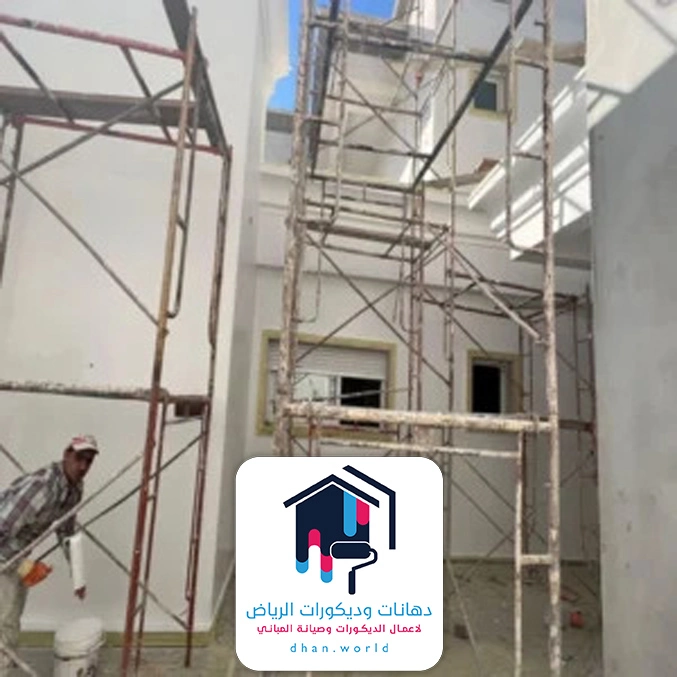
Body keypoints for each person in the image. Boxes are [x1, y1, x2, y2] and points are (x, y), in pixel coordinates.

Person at [0, 434, 99, 670]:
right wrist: (24, 565)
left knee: (11, 618)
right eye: (79, 458)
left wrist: (78, 577)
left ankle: (5, 663)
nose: (83, 466)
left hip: (16, 554)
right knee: (4, 623)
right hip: (5, 554)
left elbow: (66, 531)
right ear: (66, 455)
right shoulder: (42, 488)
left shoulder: (74, 489)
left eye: (88, 461)